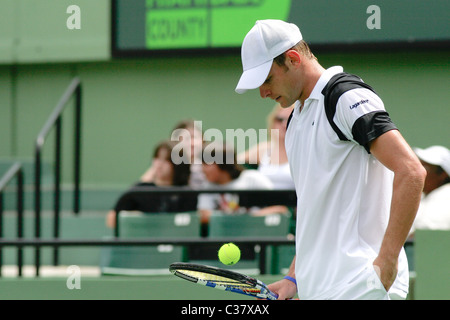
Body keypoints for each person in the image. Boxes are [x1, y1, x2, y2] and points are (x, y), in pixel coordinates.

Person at [235, 19, 426, 300]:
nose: (263, 93)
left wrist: (387, 262)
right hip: (322, 289)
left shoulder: (345, 97)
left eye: (267, 80)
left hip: (362, 284)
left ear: (293, 59)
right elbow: (316, 210)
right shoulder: (294, 122)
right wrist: (293, 277)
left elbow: (411, 172)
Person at [106, 139, 195, 228]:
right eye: (157, 158)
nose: (159, 164)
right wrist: (132, 218)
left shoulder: (187, 194)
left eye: (166, 160)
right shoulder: (140, 190)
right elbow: (112, 220)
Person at [197, 142, 274, 228]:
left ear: (222, 163)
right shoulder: (207, 187)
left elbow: (279, 208)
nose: (202, 169)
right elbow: (204, 216)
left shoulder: (253, 179)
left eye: (206, 164)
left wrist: (251, 218)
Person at [409, 146, 450, 234]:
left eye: (426, 168)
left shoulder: (446, 195)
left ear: (443, 174)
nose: (419, 173)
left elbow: (427, 232)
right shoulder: (423, 196)